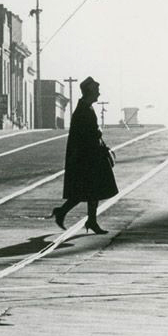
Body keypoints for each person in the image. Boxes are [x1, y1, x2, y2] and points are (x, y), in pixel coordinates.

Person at [52, 76, 118, 235]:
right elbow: (85, 135)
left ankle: (85, 219)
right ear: (90, 91)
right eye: (96, 90)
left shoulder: (86, 107)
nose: (99, 94)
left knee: (89, 191)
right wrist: (98, 133)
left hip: (90, 156)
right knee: (87, 190)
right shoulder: (83, 110)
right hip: (86, 158)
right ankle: (80, 218)